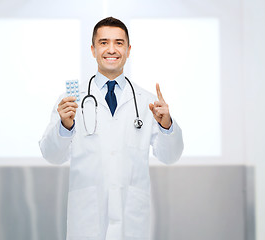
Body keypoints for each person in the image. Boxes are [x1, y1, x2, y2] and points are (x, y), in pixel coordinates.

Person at [39, 17, 183, 240]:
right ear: (93, 49)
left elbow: (170, 156)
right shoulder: (71, 102)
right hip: (87, 220)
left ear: (128, 49)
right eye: (104, 42)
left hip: (131, 220)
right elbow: (52, 156)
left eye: (119, 42)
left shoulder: (147, 102)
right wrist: (65, 126)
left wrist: (167, 125)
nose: (111, 49)